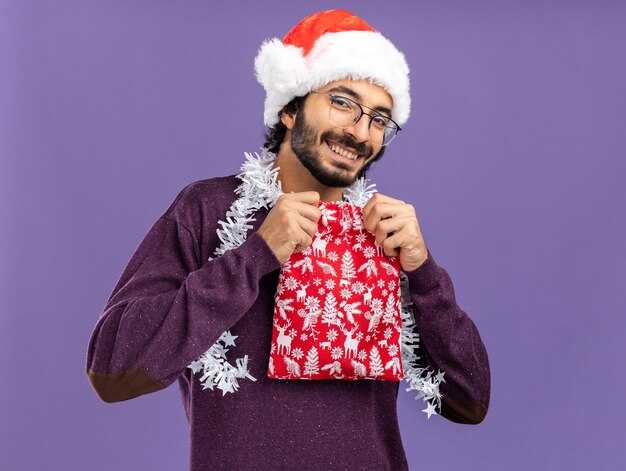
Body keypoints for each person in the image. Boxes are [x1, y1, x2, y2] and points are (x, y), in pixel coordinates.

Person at [86, 9, 490, 470]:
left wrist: (424, 273)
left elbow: (469, 401)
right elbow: (113, 368)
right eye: (343, 102)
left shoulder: (386, 231)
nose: (360, 132)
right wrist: (254, 256)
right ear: (290, 107)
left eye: (380, 119)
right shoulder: (208, 209)